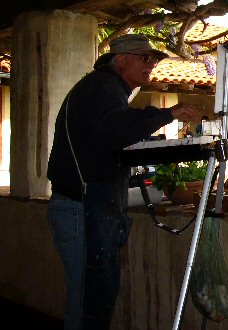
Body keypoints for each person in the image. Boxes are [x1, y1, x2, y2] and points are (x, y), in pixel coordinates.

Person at [46, 34, 198, 330]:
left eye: (154, 59)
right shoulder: (102, 87)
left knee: (93, 295)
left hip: (84, 205)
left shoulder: (105, 89)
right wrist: (167, 114)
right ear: (120, 60)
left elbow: (109, 138)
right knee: (89, 298)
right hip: (81, 208)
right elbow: (117, 129)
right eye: (145, 58)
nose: (151, 64)